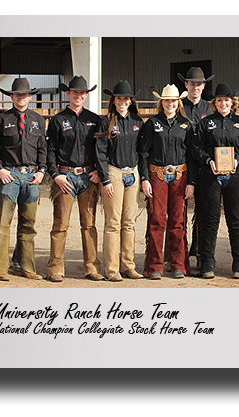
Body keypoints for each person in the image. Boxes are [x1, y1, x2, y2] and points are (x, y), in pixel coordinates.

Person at [45, 75, 103, 283]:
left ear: (86, 95)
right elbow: (50, 150)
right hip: (65, 176)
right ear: (68, 93)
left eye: (82, 92)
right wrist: (55, 174)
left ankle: (91, 267)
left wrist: (98, 170)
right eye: (75, 92)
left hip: (88, 177)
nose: (79, 95)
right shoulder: (58, 120)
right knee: (60, 223)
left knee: (89, 225)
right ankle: (55, 267)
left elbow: (101, 149)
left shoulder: (95, 120)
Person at [191, 83, 239, 279]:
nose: (223, 103)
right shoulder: (205, 123)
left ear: (232, 102)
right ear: (214, 102)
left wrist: (238, 160)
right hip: (211, 175)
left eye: (226, 100)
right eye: (219, 100)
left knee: (235, 220)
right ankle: (207, 264)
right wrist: (208, 160)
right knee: (210, 219)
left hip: (234, 175)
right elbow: (196, 148)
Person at [0, 77, 46, 282]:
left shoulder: (38, 120)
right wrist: (0, 170)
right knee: (3, 224)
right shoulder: (2, 120)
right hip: (9, 177)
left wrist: (41, 171)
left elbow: (42, 149)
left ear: (30, 96)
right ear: (11, 96)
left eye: (24, 94)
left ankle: (26, 266)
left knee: (28, 225)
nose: (21, 97)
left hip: (31, 177)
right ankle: (0, 268)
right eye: (17, 94)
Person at [138, 84, 196, 279]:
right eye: (166, 100)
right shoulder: (152, 124)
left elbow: (191, 155)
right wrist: (145, 178)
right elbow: (144, 153)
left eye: (173, 100)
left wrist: (191, 182)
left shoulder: (186, 125)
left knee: (178, 221)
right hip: (157, 174)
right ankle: (154, 266)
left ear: (178, 102)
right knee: (157, 220)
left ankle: (179, 264)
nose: (170, 103)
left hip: (180, 175)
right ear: (161, 102)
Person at [95, 80, 145, 282]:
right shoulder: (106, 122)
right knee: (113, 223)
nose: (122, 101)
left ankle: (128, 265)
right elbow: (100, 151)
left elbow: (142, 152)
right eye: (119, 98)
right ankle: (111, 269)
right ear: (113, 100)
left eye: (125, 98)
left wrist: (143, 177)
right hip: (114, 172)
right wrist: (105, 179)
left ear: (130, 100)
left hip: (132, 173)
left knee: (129, 223)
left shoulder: (137, 122)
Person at [177, 67, 215, 270]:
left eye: (199, 84)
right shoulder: (178, 106)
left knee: (203, 211)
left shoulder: (209, 108)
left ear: (204, 86)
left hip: (203, 166)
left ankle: (200, 253)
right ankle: (176, 257)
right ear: (186, 85)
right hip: (180, 164)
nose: (195, 87)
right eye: (192, 83)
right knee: (176, 213)